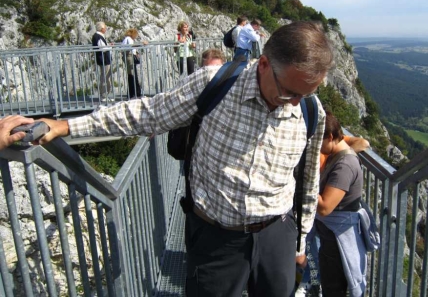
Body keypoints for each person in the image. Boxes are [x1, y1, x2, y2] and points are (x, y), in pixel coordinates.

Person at [37, 21, 334, 297]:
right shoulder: (214, 84)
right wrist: (65, 126)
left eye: (305, 94)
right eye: (289, 93)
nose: (295, 103)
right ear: (265, 65)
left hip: (277, 235)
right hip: (217, 238)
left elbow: (307, 181)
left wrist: (301, 240)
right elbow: (147, 113)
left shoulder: (311, 110)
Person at [296, 131, 370, 297]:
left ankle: (311, 281)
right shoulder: (310, 136)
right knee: (310, 251)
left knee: (316, 251)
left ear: (329, 137)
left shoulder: (330, 142)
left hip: (323, 208)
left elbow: (363, 142)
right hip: (313, 208)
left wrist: (340, 157)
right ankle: (309, 279)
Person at [315, 111, 367, 297]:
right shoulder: (335, 154)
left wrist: (302, 184)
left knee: (333, 288)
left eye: (317, 141)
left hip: (337, 240)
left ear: (330, 137)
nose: (316, 147)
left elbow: (325, 207)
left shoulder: (344, 165)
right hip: (331, 237)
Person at [122, 28, 147, 99]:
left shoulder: (126, 39)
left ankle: (134, 93)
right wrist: (141, 44)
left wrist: (136, 53)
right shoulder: (128, 39)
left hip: (129, 57)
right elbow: (131, 46)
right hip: (129, 58)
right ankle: (134, 94)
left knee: (132, 75)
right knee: (132, 75)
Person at [93, 21, 114, 102]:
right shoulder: (98, 36)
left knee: (105, 77)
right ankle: (103, 95)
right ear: (102, 28)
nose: (106, 28)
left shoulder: (98, 36)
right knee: (105, 77)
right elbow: (102, 48)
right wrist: (110, 47)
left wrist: (108, 46)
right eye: (105, 27)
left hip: (104, 59)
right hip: (104, 59)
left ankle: (105, 95)